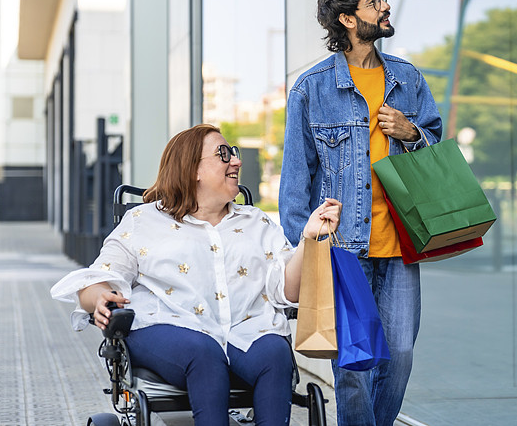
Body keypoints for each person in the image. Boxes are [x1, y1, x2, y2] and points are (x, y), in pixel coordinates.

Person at [51, 124, 341, 426]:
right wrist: (98, 297)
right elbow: (99, 277)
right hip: (168, 326)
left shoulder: (256, 222)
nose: (237, 161)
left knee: (274, 354)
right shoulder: (143, 220)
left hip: (245, 331)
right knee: (204, 353)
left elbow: (288, 291)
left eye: (234, 154)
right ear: (193, 170)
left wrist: (309, 239)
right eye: (223, 154)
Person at [279, 0, 443, 426]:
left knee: (401, 356)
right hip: (343, 251)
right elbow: (295, 185)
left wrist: (411, 131)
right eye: (374, 1)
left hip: (400, 245)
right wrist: (310, 253)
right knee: (353, 369)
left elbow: (433, 143)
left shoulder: (407, 79)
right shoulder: (311, 90)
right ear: (348, 19)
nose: (385, 6)